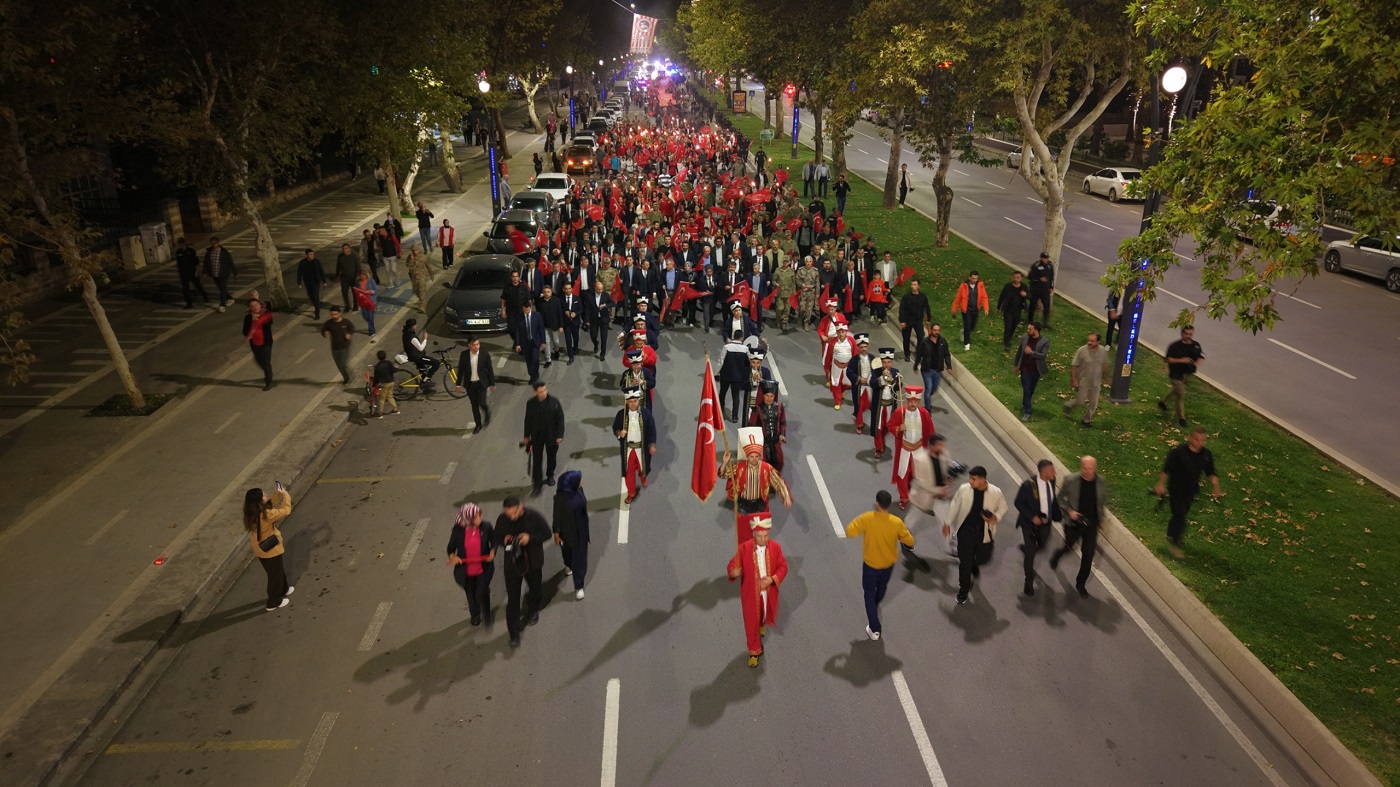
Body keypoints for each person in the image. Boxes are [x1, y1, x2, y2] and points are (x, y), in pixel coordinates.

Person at [845, 490, 915, 641]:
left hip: (870, 566)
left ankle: (874, 628)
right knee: (881, 588)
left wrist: (858, 520)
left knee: (868, 594)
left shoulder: (867, 518)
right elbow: (909, 541)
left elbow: (850, 531)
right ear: (889, 504)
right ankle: (875, 605)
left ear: (877, 503)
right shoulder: (896, 522)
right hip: (887, 566)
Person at [728, 515, 789, 668]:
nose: (763, 539)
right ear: (753, 535)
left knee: (763, 613)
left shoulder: (776, 547)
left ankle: (761, 624)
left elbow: (783, 567)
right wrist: (733, 572)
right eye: (760, 536)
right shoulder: (744, 549)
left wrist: (772, 579)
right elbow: (732, 565)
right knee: (750, 622)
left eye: (766, 536)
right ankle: (754, 651)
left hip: (768, 592)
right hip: (750, 594)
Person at [942, 466, 1008, 604]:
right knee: (965, 563)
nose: (970, 481)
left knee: (984, 558)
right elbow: (955, 505)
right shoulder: (964, 489)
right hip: (966, 531)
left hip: (985, 533)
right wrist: (947, 523)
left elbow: (1003, 508)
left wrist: (995, 517)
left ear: (983, 480)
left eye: (974, 479)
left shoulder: (996, 492)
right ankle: (963, 590)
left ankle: (974, 565)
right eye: (970, 478)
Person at [1154, 427, 1223, 558]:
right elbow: (1166, 469)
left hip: (1191, 490)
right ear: (1190, 438)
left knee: (1180, 514)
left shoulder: (1206, 455)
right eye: (1196, 439)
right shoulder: (1178, 452)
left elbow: (1210, 472)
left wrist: (1215, 485)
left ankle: (1170, 533)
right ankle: (1174, 543)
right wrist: (1161, 484)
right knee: (1180, 516)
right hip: (1176, 488)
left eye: (1202, 440)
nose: (1199, 442)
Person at [494, 496, 552, 647]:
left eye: (514, 513)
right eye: (509, 514)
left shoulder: (534, 517)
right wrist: (503, 540)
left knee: (534, 588)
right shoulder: (503, 519)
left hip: (532, 561)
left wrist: (530, 538)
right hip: (512, 563)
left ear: (521, 506)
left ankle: (533, 610)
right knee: (513, 598)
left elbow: (547, 533)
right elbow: (496, 537)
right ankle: (514, 634)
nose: (512, 517)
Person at [720, 427, 793, 546]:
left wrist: (786, 496)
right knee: (744, 537)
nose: (754, 459)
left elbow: (779, 482)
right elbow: (723, 474)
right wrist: (724, 463)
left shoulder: (766, 468)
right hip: (742, 506)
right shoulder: (738, 467)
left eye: (756, 456)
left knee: (760, 537)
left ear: (760, 456)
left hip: (760, 506)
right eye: (751, 456)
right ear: (747, 456)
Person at [1051, 456, 1109, 597]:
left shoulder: (1101, 482)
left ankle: (1080, 583)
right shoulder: (1071, 480)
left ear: (1095, 468)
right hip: (1074, 524)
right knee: (1069, 546)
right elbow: (1059, 498)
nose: (1088, 471)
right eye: (1085, 468)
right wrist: (1070, 511)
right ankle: (1059, 554)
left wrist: (1100, 520)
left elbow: (1101, 502)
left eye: (1090, 469)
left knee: (1088, 554)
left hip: (1091, 525)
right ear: (1081, 467)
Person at [1014, 460, 1061, 597]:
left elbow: (1052, 499)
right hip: (1029, 524)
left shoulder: (1051, 481)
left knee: (1042, 545)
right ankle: (1028, 583)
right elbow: (1018, 502)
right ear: (1044, 472)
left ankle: (1028, 548)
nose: (1055, 473)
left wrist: (1057, 514)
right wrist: (1032, 516)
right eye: (1052, 471)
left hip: (1046, 523)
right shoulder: (1028, 485)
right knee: (1031, 554)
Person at [244, 484, 294, 611]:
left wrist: (278, 494)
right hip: (270, 549)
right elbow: (286, 510)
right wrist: (285, 494)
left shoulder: (251, 513)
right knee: (274, 575)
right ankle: (273, 602)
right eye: (263, 495)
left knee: (276, 570)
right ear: (259, 501)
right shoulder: (266, 515)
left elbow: (270, 504)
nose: (266, 495)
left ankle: (284, 589)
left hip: (259, 547)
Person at [446, 503, 494, 626]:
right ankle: (475, 615)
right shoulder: (458, 532)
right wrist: (453, 556)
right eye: (477, 516)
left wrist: (493, 551)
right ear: (469, 518)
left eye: (479, 514)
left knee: (483, 590)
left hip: (483, 569)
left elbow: (494, 541)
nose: (480, 517)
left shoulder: (486, 527)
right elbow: (451, 548)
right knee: (471, 594)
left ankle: (486, 610)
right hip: (466, 571)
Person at [891, 386, 935, 509]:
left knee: (919, 474)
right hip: (904, 449)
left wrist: (932, 447)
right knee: (903, 474)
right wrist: (898, 429)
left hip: (919, 448)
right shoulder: (899, 412)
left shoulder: (924, 413)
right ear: (906, 400)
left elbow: (930, 431)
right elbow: (891, 425)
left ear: (919, 401)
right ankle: (903, 498)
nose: (912, 404)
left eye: (915, 401)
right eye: (910, 401)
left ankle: (916, 495)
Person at [613, 389, 657, 504]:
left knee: (643, 466)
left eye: (635, 401)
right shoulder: (621, 415)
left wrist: (652, 444)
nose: (633, 404)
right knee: (629, 471)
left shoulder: (646, 414)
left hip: (641, 448)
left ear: (639, 400)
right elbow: (615, 427)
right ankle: (631, 493)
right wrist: (619, 433)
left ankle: (643, 477)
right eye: (630, 401)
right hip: (628, 449)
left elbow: (652, 430)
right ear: (627, 402)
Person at [522, 381, 565, 496]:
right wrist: (526, 436)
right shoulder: (530, 404)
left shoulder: (554, 402)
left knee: (551, 457)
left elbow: (560, 419)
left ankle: (550, 475)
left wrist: (560, 435)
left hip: (551, 436)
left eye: (545, 390)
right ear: (535, 392)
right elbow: (527, 420)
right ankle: (537, 484)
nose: (544, 393)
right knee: (537, 461)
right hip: (537, 437)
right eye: (541, 391)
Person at [552, 470, 590, 600]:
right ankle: (568, 563)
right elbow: (556, 517)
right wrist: (556, 533)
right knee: (567, 552)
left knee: (580, 559)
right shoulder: (560, 498)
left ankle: (579, 586)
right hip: (567, 532)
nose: (582, 481)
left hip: (581, 531)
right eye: (579, 480)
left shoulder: (579, 490)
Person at [1158, 325, 1203, 428]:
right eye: (1186, 333)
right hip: (1175, 374)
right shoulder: (1174, 346)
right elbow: (1167, 359)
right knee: (1181, 394)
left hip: (1187, 373)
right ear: (1182, 333)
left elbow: (1200, 357)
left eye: (1190, 334)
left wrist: (1196, 363)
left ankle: (1162, 402)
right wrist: (1181, 360)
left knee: (1177, 391)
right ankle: (1181, 418)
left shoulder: (1196, 345)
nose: (1188, 336)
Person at [1064, 333, 1109, 426]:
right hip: (1083, 380)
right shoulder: (1082, 350)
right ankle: (1069, 405)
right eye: (1089, 340)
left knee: (1093, 404)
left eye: (1092, 341)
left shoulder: (1102, 351)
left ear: (1098, 342)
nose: (1089, 342)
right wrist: (1073, 379)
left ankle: (1086, 420)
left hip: (1096, 382)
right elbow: (1074, 365)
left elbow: (1104, 364)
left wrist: (1107, 377)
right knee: (1080, 400)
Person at [455, 335, 496, 432]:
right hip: (470, 385)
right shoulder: (464, 355)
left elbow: (489, 370)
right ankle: (478, 425)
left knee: (482, 403)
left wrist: (492, 383)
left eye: (478, 344)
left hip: (481, 384)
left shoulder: (484, 354)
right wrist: (458, 384)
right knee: (474, 405)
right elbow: (461, 370)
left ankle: (486, 412)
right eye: (474, 345)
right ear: (469, 345)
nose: (476, 346)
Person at [1013, 322, 1049, 421]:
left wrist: (1031, 352)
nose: (1027, 330)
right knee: (1027, 389)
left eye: (1030, 329)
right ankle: (1027, 411)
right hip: (1025, 369)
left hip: (1036, 370)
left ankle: (1025, 402)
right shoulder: (1025, 337)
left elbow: (1043, 355)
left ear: (1036, 330)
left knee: (1031, 390)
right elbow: (1019, 351)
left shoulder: (1045, 341)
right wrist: (1016, 364)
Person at [747, 381, 787, 471]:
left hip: (775, 442)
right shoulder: (757, 409)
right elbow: (751, 426)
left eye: (771, 396)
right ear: (763, 396)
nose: (769, 398)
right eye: (767, 396)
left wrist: (782, 434)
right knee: (764, 465)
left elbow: (783, 422)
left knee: (779, 462)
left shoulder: (780, 407)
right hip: (763, 443)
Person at [912, 322, 952, 411]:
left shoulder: (942, 341)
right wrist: (916, 366)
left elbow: (946, 354)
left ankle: (927, 397)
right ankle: (927, 409)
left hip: (938, 370)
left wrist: (949, 366)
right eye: (935, 330)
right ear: (931, 330)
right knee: (929, 387)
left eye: (938, 330)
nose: (936, 332)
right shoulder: (925, 342)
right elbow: (919, 354)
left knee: (934, 388)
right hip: (927, 370)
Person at [950, 270, 989, 350]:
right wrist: (954, 309)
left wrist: (986, 308)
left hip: (975, 309)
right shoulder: (963, 286)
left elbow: (984, 297)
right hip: (966, 309)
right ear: (969, 277)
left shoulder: (980, 285)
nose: (975, 280)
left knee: (972, 326)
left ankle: (963, 332)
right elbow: (958, 298)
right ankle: (967, 344)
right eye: (973, 278)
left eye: (976, 278)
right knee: (967, 325)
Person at [242, 296, 274, 390]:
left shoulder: (265, 315)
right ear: (249, 308)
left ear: (260, 305)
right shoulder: (248, 318)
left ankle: (268, 381)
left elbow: (269, 322)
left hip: (266, 342)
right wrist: (252, 321)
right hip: (255, 343)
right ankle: (269, 373)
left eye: (256, 305)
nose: (255, 307)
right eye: (252, 306)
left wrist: (258, 319)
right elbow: (245, 331)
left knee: (266, 361)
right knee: (259, 360)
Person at [898, 278, 931, 361]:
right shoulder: (906, 297)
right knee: (906, 338)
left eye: (915, 285)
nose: (913, 286)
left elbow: (927, 308)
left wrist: (928, 319)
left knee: (921, 336)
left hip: (918, 320)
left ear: (918, 286)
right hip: (907, 320)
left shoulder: (923, 296)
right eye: (912, 284)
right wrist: (902, 321)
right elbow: (902, 309)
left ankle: (919, 353)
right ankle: (907, 354)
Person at [515, 299, 547, 384]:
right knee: (528, 361)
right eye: (525, 310)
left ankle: (535, 375)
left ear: (531, 307)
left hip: (535, 342)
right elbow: (517, 331)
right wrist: (517, 344)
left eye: (528, 309)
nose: (526, 311)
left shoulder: (537, 316)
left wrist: (543, 342)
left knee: (535, 360)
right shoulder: (519, 317)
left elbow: (541, 329)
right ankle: (532, 375)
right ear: (523, 308)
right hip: (525, 343)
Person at [826, 323, 857, 410]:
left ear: (846, 332)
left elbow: (855, 353)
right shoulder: (832, 342)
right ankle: (837, 401)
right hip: (836, 365)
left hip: (848, 366)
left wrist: (855, 366)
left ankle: (842, 391)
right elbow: (829, 355)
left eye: (843, 332)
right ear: (836, 332)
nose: (841, 334)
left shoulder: (851, 341)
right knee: (836, 383)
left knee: (847, 382)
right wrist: (827, 367)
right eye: (839, 332)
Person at [320, 306, 355, 384]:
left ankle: (349, 375)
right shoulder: (329, 323)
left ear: (339, 313)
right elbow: (323, 330)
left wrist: (349, 334)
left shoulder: (345, 322)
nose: (334, 316)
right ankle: (346, 377)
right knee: (339, 365)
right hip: (335, 347)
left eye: (335, 314)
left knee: (342, 363)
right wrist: (325, 334)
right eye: (332, 314)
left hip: (345, 346)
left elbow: (352, 328)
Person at [996, 271, 1030, 349]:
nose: (1015, 279)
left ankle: (1008, 339)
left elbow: (1030, 296)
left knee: (1013, 326)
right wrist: (998, 307)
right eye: (1014, 277)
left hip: (1017, 310)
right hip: (1008, 310)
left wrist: (1025, 294)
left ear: (1020, 278)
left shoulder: (1023, 287)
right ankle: (1006, 343)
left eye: (1017, 278)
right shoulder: (1007, 286)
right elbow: (1001, 297)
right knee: (1008, 326)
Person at [203, 236, 237, 311]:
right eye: (212, 243)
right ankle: (230, 298)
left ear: (218, 243)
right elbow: (206, 263)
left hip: (224, 273)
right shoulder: (209, 252)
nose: (213, 245)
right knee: (222, 288)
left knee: (222, 288)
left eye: (215, 243)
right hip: (215, 273)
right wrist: (204, 272)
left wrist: (235, 272)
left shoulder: (224, 252)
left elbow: (230, 262)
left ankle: (222, 305)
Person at [583, 280, 615, 359]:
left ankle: (602, 354)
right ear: (595, 288)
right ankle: (596, 343)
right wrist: (587, 320)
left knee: (604, 337)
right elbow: (587, 309)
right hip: (594, 319)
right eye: (599, 289)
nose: (600, 291)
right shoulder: (589, 296)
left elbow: (613, 303)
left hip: (604, 319)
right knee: (593, 335)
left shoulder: (605, 295)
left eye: (601, 289)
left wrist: (605, 305)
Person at [401, 319, 440, 385]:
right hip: (417, 356)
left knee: (423, 370)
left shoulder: (406, 334)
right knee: (436, 363)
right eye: (415, 325)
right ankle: (427, 379)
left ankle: (425, 385)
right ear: (412, 326)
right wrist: (425, 338)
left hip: (412, 355)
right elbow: (420, 348)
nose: (416, 326)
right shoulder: (412, 337)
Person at [175, 237, 208, 308]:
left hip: (192, 272)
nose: (181, 245)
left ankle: (205, 297)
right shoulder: (178, 252)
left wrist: (197, 271)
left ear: (184, 243)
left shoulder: (191, 251)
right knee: (185, 289)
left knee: (197, 285)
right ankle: (189, 303)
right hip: (183, 273)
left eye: (182, 243)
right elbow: (179, 264)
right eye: (180, 243)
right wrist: (179, 273)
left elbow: (196, 262)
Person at [1026, 252, 1055, 328]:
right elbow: (1030, 277)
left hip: (1045, 290)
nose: (1046, 259)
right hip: (1035, 289)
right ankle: (1030, 320)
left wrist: (1051, 286)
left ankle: (1045, 322)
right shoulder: (1036, 265)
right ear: (1041, 258)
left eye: (1047, 258)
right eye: (1045, 258)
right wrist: (1039, 279)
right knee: (1033, 304)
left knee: (1047, 305)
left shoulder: (1050, 265)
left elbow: (1051, 277)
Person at [296, 248, 327, 319]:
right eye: (310, 254)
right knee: (311, 297)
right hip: (307, 282)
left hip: (316, 282)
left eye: (313, 254)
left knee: (315, 297)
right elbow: (299, 273)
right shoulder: (302, 263)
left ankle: (317, 313)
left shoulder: (317, 261)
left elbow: (321, 271)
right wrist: (299, 283)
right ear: (306, 255)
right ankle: (317, 304)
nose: (312, 255)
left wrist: (324, 281)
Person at [371, 349, 399, 417]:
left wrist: (373, 385)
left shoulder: (378, 366)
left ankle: (379, 413)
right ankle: (395, 409)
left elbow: (376, 377)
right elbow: (393, 370)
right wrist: (397, 367)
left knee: (382, 399)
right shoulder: (389, 363)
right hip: (391, 382)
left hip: (384, 384)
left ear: (378, 357)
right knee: (390, 396)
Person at [559, 281, 582, 363]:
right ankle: (570, 356)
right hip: (566, 323)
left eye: (569, 288)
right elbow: (559, 311)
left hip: (575, 322)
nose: (568, 290)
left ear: (572, 289)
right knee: (568, 339)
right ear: (563, 289)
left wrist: (575, 314)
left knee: (576, 338)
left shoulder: (577, 298)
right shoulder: (560, 299)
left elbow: (581, 309)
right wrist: (565, 312)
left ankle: (575, 348)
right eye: (566, 289)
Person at [335, 243, 359, 310]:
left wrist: (357, 275)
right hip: (344, 277)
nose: (344, 250)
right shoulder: (340, 256)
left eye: (346, 248)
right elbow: (338, 266)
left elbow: (358, 266)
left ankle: (355, 305)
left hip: (353, 277)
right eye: (343, 249)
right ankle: (347, 305)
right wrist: (337, 275)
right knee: (344, 291)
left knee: (354, 292)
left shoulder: (353, 256)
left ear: (349, 249)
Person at [353, 271, 378, 336]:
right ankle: (370, 323)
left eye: (363, 275)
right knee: (365, 316)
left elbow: (375, 290)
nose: (362, 277)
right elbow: (357, 292)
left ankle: (371, 331)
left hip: (371, 301)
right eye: (361, 275)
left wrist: (369, 292)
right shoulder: (358, 283)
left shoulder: (371, 281)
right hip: (363, 302)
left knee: (370, 317)